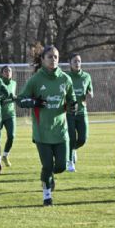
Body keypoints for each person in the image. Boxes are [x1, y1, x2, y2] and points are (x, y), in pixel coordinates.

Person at [18, 45, 77, 206]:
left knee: (61, 166)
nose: (53, 60)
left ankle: (50, 176)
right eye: (50, 57)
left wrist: (73, 106)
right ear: (43, 60)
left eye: (56, 57)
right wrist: (34, 101)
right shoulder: (36, 80)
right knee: (47, 165)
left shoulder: (65, 79)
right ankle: (46, 195)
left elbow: (72, 99)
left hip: (60, 131)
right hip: (42, 132)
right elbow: (21, 100)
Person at [65, 54, 93, 172]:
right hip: (69, 112)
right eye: (75, 61)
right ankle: (70, 162)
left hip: (82, 112)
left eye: (79, 61)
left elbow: (89, 89)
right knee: (71, 137)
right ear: (70, 63)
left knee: (83, 139)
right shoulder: (66, 77)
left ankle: (72, 149)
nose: (77, 63)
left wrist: (90, 93)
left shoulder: (86, 76)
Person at [0, 65, 17, 168]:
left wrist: (15, 98)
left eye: (9, 71)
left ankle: (5, 155)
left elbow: (13, 97)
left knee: (11, 136)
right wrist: (2, 99)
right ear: (2, 73)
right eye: (5, 71)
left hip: (10, 114)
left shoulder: (14, 83)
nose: (8, 73)